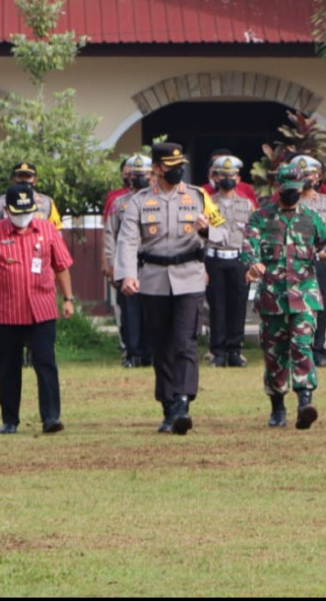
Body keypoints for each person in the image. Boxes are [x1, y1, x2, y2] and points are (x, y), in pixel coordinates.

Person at [115, 142, 224, 435]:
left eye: (181, 166)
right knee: (161, 345)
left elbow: (224, 232)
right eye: (172, 166)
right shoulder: (139, 202)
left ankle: (183, 402)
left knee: (185, 341)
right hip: (153, 279)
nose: (179, 171)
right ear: (157, 168)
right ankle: (167, 406)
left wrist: (206, 230)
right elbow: (127, 241)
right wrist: (127, 275)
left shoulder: (199, 196)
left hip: (189, 276)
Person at [0, 184, 75, 434]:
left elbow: (61, 265)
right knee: (8, 366)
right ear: (7, 210)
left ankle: (51, 417)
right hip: (7, 310)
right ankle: (9, 420)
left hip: (42, 308)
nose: (23, 217)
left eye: (27, 211)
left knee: (45, 363)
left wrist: (68, 298)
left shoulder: (47, 230)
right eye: (17, 212)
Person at [242, 164, 326, 429]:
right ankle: (278, 407)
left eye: (297, 190)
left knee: (302, 345)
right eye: (288, 190)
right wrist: (254, 263)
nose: (293, 194)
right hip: (273, 297)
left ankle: (305, 402)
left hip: (304, 295)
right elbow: (248, 246)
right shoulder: (261, 218)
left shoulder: (311, 218)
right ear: (277, 188)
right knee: (275, 353)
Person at [290, 155, 326, 369]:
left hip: (320, 262)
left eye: (310, 174)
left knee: (321, 305)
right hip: (294, 262)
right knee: (295, 306)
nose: (305, 178)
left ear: (318, 176)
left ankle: (319, 349)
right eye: (301, 174)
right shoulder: (289, 200)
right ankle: (297, 349)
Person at [205, 156, 256, 368]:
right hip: (214, 259)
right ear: (215, 177)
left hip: (238, 261)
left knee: (238, 306)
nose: (227, 178)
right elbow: (198, 237)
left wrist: (252, 263)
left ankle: (235, 350)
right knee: (216, 307)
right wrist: (201, 266)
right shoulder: (206, 204)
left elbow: (253, 236)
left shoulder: (247, 205)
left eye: (232, 175)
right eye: (223, 175)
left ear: (238, 178)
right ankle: (217, 351)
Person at [104, 155, 154, 368]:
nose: (140, 178)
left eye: (144, 175)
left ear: (152, 176)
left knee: (152, 311)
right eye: (136, 175)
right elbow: (109, 235)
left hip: (152, 264)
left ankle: (151, 354)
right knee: (130, 312)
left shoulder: (157, 201)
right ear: (128, 177)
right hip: (127, 264)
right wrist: (111, 264)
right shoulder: (119, 203)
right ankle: (132, 354)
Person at [0, 162, 63, 229]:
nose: (24, 180)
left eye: (28, 177)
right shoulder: (1, 203)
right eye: (20, 177)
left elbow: (56, 231)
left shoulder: (47, 202)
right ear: (12, 180)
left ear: (35, 181)